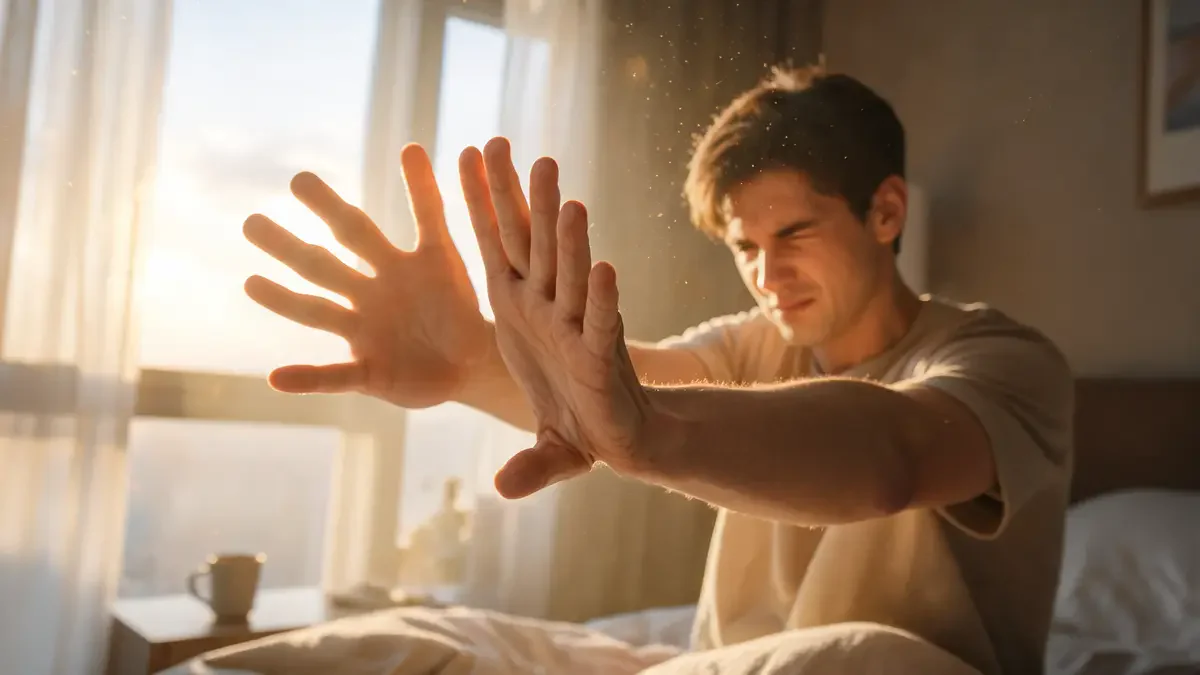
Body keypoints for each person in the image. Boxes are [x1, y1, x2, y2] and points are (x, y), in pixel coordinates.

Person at [241, 66, 1073, 674]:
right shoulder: (753, 344)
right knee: (397, 644)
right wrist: (468, 357)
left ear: (885, 211)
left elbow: (893, 456)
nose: (765, 273)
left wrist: (648, 434)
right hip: (723, 664)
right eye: (746, 246)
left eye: (795, 234)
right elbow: (623, 386)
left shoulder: (1006, 363)